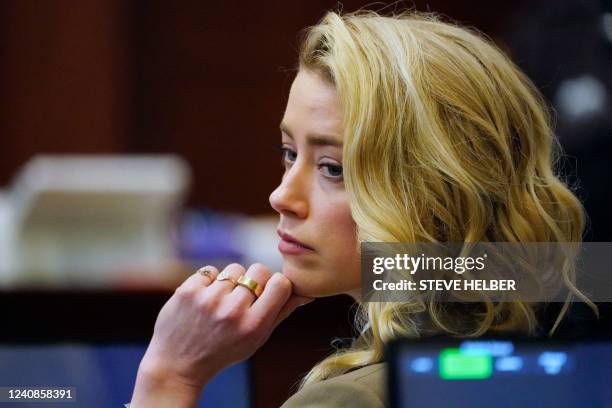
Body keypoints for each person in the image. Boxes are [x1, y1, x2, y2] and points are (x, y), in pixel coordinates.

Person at [129, 9, 596, 407]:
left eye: (333, 168)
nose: (281, 197)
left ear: (433, 192)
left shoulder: (350, 399)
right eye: (290, 154)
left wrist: (169, 377)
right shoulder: (564, 354)